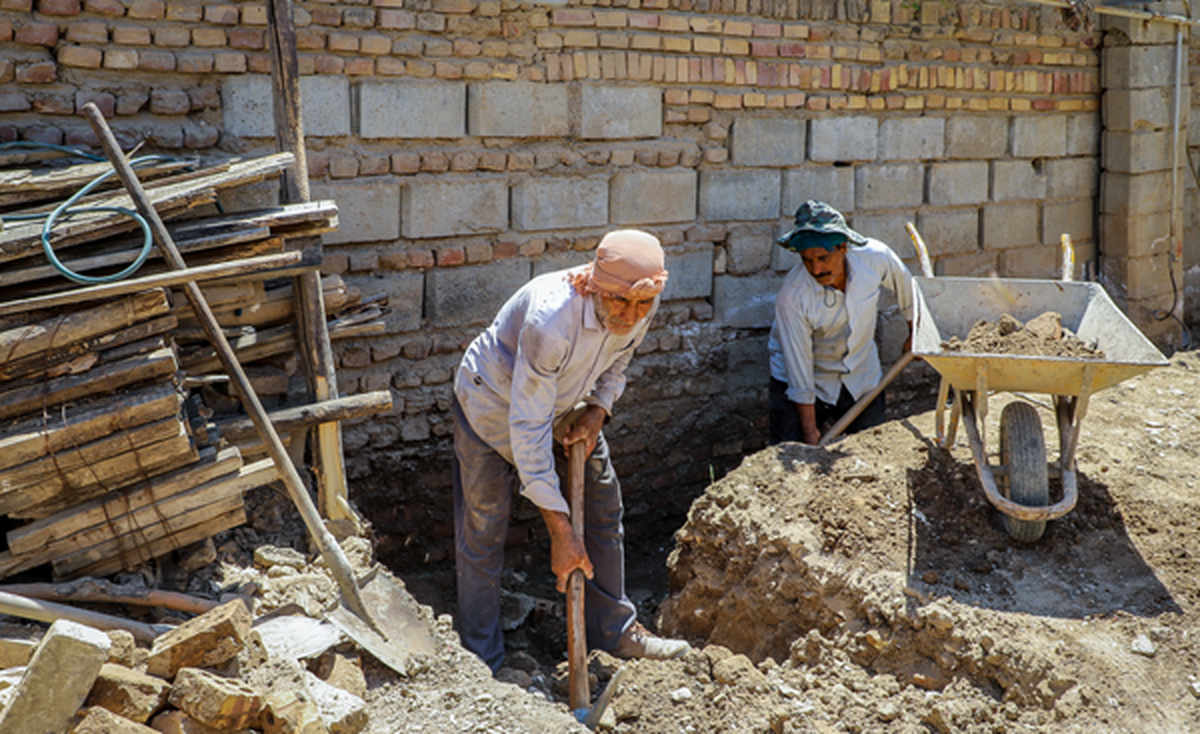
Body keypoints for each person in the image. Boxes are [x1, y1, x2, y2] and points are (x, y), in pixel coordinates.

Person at [452, 228, 691, 674]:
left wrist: (598, 410)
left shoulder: (642, 300)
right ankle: (482, 659)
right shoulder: (551, 321)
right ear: (597, 285)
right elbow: (528, 430)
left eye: (641, 305)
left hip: (566, 401)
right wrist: (562, 533)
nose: (631, 314)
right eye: (620, 302)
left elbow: (619, 360)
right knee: (484, 527)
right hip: (492, 402)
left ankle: (615, 632)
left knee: (603, 501)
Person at [768, 200, 915, 446]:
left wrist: (914, 330)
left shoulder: (874, 258)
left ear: (843, 248)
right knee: (793, 459)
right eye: (807, 260)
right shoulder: (793, 297)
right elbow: (799, 371)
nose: (816, 269)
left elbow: (908, 289)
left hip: (861, 376)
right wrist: (809, 432)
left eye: (823, 258)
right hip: (803, 383)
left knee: (870, 453)